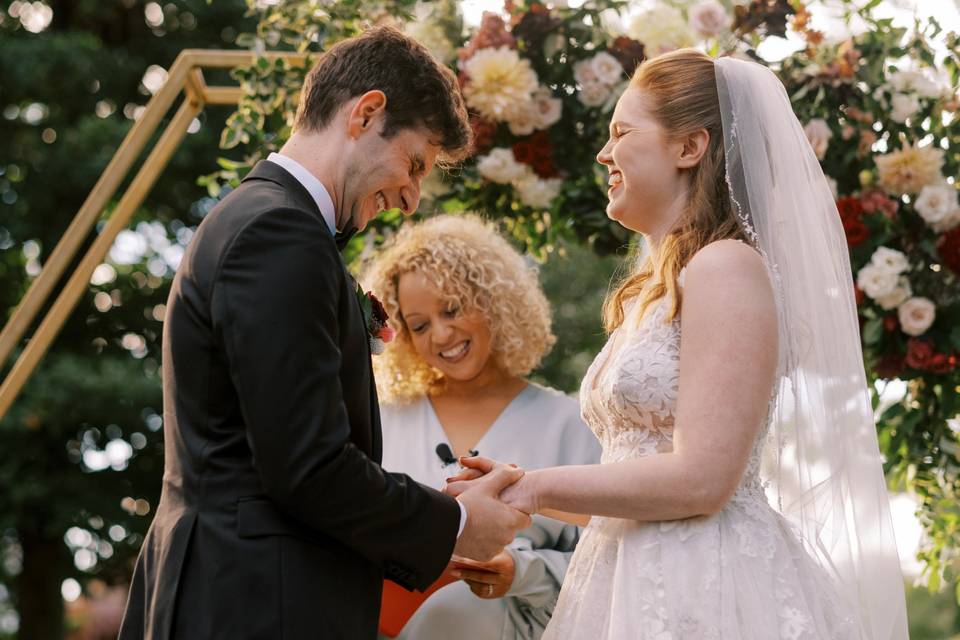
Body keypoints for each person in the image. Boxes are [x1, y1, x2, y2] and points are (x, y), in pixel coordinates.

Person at [446, 50, 909, 639]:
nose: (603, 154)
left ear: (690, 148)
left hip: (710, 584)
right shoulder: (656, 290)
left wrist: (535, 487)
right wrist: (515, 487)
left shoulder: (727, 267)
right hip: (624, 579)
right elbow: (640, 485)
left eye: (621, 133)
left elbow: (702, 481)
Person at [118, 27, 531, 640]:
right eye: (414, 164)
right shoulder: (278, 235)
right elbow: (307, 467)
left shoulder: (265, 222)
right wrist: (455, 521)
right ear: (366, 113)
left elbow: (282, 453)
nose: (412, 198)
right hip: (256, 604)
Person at [362, 214, 601, 639]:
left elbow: (610, 562)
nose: (440, 334)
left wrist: (520, 572)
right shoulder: (382, 418)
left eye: (452, 309)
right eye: (419, 325)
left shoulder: (570, 425)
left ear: (492, 301)